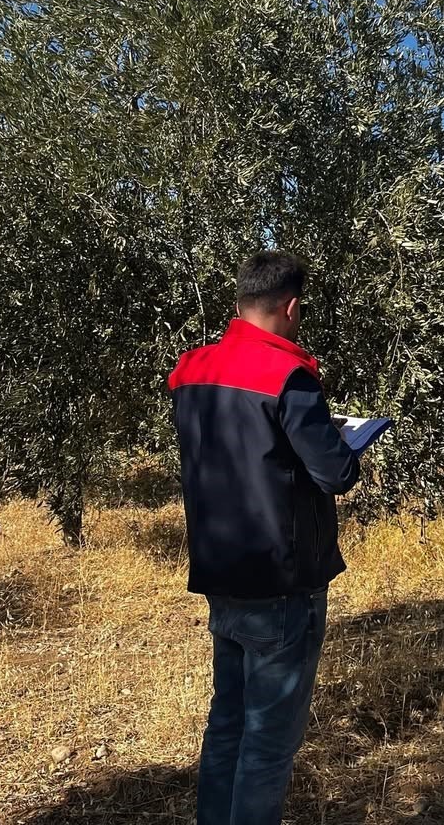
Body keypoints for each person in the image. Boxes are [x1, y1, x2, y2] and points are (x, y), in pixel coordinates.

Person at [169, 252, 361, 825]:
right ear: (291, 306)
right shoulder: (288, 377)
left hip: (220, 570)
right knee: (269, 743)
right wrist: (345, 442)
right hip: (282, 581)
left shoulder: (192, 369)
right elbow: (334, 473)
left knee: (227, 721)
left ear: (239, 301)